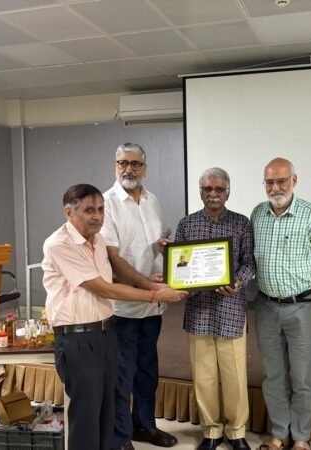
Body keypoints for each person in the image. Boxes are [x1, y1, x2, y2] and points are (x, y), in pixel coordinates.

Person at [42, 184, 186, 450]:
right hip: (78, 338)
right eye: (89, 210)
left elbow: (110, 280)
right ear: (69, 212)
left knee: (106, 412)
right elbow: (103, 288)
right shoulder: (59, 244)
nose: (97, 216)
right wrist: (154, 295)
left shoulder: (98, 241)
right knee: (86, 417)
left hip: (106, 332)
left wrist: (148, 282)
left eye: (100, 210)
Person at [250, 158, 311, 450]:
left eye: (281, 181)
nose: (275, 188)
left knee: (302, 377)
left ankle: (300, 438)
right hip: (266, 307)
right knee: (273, 376)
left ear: (294, 181)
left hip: (303, 306)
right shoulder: (257, 214)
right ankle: (279, 434)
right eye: (270, 182)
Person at [100, 143, 179, 450]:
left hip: (152, 307)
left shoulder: (152, 200)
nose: (128, 169)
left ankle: (144, 426)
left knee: (147, 370)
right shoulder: (106, 204)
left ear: (144, 168)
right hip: (123, 307)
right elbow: (113, 258)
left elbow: (158, 240)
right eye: (122, 163)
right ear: (115, 166)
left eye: (135, 163)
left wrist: (163, 245)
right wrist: (148, 286)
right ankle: (120, 437)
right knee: (122, 374)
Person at [175, 168, 255, 450]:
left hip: (231, 308)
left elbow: (249, 263)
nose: (213, 194)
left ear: (227, 193)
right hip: (199, 310)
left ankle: (236, 432)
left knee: (235, 376)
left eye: (219, 189)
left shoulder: (241, 223)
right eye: (208, 189)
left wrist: (238, 281)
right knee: (204, 376)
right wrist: (182, 283)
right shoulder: (187, 224)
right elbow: (180, 264)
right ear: (200, 192)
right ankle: (211, 431)